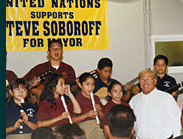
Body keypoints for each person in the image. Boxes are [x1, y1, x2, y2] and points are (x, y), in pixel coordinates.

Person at [129, 69, 182, 139]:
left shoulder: (166, 98)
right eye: (142, 79)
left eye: (148, 79)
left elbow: (176, 119)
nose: (145, 82)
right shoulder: (134, 100)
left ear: (155, 81)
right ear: (139, 82)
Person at [71, 72, 104, 139]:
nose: (91, 87)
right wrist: (87, 115)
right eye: (87, 84)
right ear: (80, 85)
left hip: (97, 129)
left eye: (93, 84)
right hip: (83, 132)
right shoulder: (75, 100)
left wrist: (99, 111)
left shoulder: (96, 98)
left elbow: (103, 117)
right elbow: (72, 120)